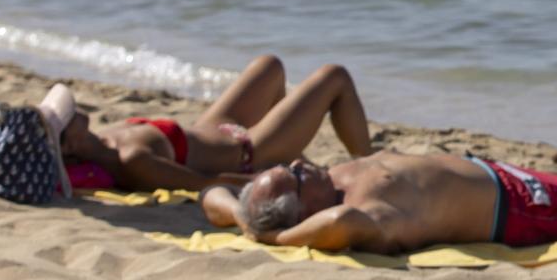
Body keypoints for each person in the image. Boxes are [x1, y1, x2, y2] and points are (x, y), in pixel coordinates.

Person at [42, 55, 372, 194]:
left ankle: (290, 149)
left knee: (269, 65)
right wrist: (263, 177)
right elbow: (203, 183)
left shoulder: (106, 138)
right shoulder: (131, 160)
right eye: (65, 117)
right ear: (69, 145)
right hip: (247, 151)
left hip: (218, 126)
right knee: (334, 77)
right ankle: (368, 160)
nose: (70, 109)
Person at [201, 150, 557, 255]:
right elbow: (339, 222)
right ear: (302, 211)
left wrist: (245, 218)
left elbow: (209, 196)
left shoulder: (329, 185)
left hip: (500, 175)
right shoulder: (363, 214)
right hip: (521, 207)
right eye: (297, 176)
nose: (301, 163)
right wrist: (275, 238)